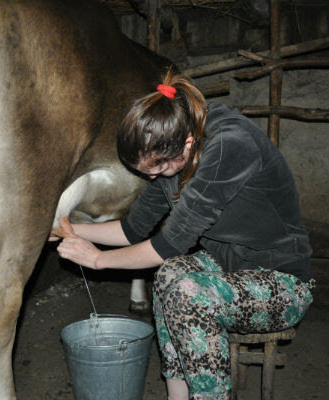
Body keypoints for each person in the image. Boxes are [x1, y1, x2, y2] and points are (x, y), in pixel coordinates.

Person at [52, 69, 314, 400]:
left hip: (283, 282)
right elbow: (133, 230)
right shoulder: (172, 146)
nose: (153, 178)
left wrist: (98, 260)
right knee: (168, 276)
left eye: (158, 169)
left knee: (190, 292)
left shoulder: (228, 146)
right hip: (227, 268)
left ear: (186, 145)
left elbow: (169, 243)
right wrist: (69, 229)